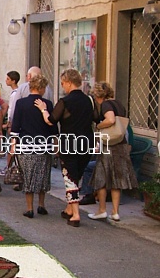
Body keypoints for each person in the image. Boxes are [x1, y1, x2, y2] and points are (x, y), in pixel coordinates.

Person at [35, 68, 94, 227]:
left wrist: (43, 109)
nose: (63, 87)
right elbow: (96, 118)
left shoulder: (65, 102)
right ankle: (69, 208)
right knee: (77, 175)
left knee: (70, 178)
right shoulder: (89, 100)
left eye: (63, 83)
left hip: (69, 142)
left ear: (69, 82)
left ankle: (75, 215)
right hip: (86, 142)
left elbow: (51, 120)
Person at [88, 81, 138, 222]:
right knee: (117, 180)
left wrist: (99, 125)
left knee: (102, 178)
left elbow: (110, 119)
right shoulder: (119, 104)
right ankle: (115, 212)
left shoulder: (105, 105)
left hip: (109, 145)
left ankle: (102, 210)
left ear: (98, 95)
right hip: (121, 145)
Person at [11, 75, 56, 218]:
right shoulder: (47, 104)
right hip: (44, 144)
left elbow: (15, 126)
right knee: (43, 174)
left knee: (28, 176)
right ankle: (41, 205)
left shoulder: (21, 103)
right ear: (42, 88)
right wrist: (55, 144)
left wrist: (13, 144)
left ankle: (29, 208)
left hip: (26, 145)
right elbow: (53, 127)